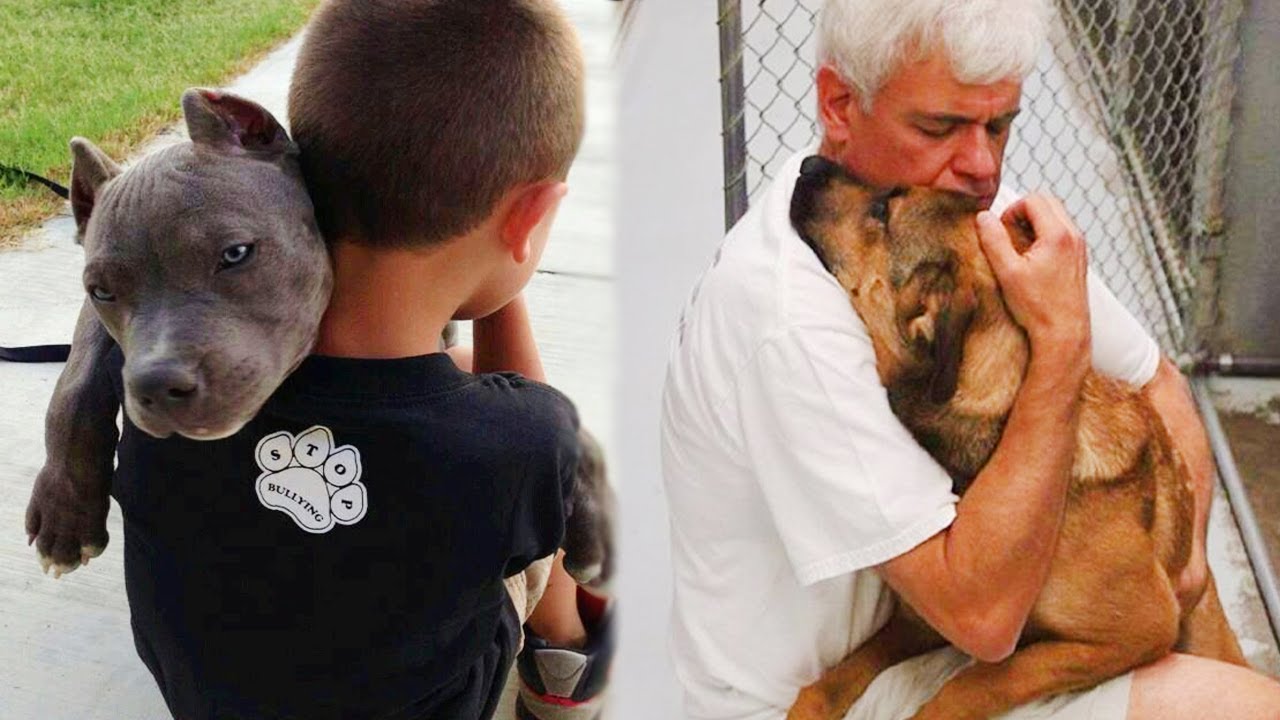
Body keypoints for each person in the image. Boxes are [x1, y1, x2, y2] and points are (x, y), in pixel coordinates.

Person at [659, 1, 1280, 718]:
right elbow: (982, 620)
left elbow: (1159, 381)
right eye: (940, 126)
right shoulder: (791, 320)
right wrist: (1061, 348)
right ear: (838, 103)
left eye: (1000, 124)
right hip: (831, 690)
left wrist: (1191, 556)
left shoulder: (951, 203)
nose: (982, 164)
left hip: (946, 631)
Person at [107, 1, 609, 718]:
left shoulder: (171, 383)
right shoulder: (523, 437)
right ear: (530, 218)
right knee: (539, 475)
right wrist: (499, 277)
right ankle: (564, 658)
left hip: (209, 696)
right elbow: (524, 416)